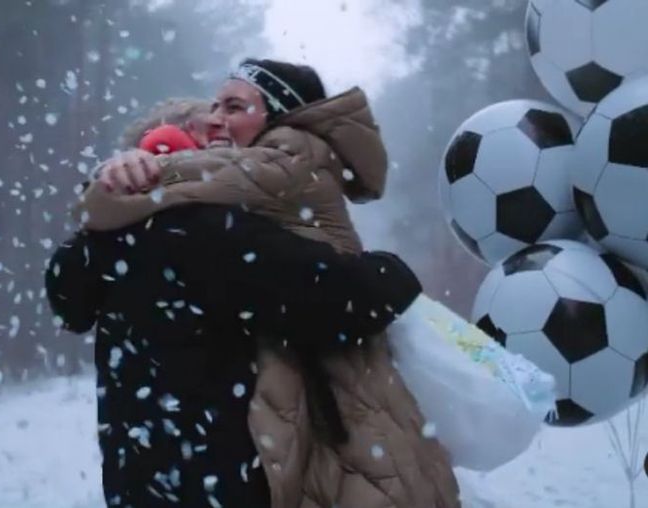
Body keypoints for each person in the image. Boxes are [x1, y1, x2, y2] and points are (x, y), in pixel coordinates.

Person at [67, 58, 460, 507]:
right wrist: (388, 275)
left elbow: (68, 293)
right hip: (204, 471)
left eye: (230, 109)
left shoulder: (167, 227)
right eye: (204, 122)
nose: (216, 125)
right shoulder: (194, 226)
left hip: (162, 471)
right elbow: (335, 296)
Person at [46, 203, 422, 507]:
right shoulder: (203, 226)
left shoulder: (104, 240)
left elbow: (68, 304)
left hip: (138, 481)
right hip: (218, 481)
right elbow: (335, 298)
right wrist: (391, 273)